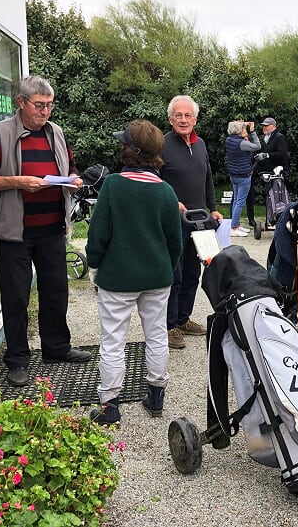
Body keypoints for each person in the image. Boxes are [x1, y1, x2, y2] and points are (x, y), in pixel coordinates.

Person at [0, 75, 92, 387]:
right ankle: (17, 360)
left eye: (49, 105)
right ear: (21, 102)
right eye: (39, 105)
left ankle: (56, 348)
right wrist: (17, 182)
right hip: (15, 232)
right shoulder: (0, 133)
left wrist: (74, 180)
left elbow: (71, 168)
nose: (45, 111)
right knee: (16, 298)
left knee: (56, 292)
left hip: (52, 228)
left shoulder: (57, 133)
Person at [86, 120, 182, 425]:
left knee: (113, 340)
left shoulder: (113, 185)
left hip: (118, 278)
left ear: (130, 150)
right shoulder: (166, 191)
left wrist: (94, 265)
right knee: (157, 335)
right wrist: (165, 268)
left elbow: (98, 234)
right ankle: (156, 395)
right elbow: (175, 242)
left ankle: (110, 404)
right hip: (157, 276)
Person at [160, 95, 223, 350]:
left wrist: (214, 208)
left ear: (195, 119)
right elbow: (155, 179)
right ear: (170, 119)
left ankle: (183, 318)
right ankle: (169, 325)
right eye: (178, 115)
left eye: (188, 115)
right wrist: (170, 200)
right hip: (173, 221)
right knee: (174, 274)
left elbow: (207, 179)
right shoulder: (162, 145)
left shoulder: (201, 145)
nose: (183, 120)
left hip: (199, 221)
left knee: (193, 273)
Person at [245, 116, 289, 227]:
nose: (264, 128)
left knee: (279, 195)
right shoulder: (266, 138)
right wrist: (253, 169)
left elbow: (282, 154)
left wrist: (267, 155)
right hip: (267, 172)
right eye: (263, 126)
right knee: (270, 196)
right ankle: (272, 218)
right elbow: (259, 155)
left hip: (279, 172)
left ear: (273, 126)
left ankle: (280, 218)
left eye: (266, 126)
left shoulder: (279, 137)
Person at [225, 120, 261, 237]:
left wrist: (242, 126)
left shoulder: (229, 140)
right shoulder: (242, 143)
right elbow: (258, 146)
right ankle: (234, 228)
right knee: (240, 202)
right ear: (239, 130)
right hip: (243, 175)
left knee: (236, 200)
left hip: (233, 175)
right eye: (243, 128)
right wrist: (253, 132)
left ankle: (235, 224)